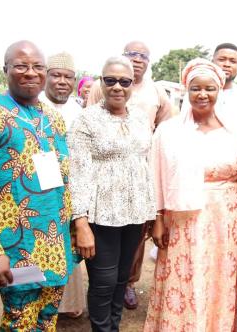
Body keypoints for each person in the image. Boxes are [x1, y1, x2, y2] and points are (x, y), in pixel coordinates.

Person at [0, 40, 77, 330]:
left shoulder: (53, 118)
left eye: (38, 67)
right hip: (15, 248)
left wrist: (76, 228)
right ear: (5, 70)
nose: (30, 73)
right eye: (21, 66)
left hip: (56, 245)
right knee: (19, 322)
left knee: (47, 320)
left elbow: (65, 180)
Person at [144, 58, 237, 331]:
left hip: (229, 221)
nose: (202, 94)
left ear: (219, 91)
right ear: (186, 91)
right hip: (184, 220)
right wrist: (157, 219)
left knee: (222, 276)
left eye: (209, 88)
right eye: (195, 88)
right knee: (187, 275)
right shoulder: (169, 132)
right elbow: (155, 176)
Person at [68, 56, 156, 331]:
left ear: (132, 84)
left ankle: (113, 327)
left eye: (124, 81)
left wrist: (151, 212)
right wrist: (80, 221)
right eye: (110, 80)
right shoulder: (86, 120)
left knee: (122, 279)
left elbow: (145, 165)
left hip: (134, 215)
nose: (117, 87)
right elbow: (77, 172)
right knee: (103, 283)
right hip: (101, 216)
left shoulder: (141, 118)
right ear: (101, 82)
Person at [87, 40, 172, 310]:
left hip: (138, 185)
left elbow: (168, 128)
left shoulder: (156, 93)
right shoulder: (94, 102)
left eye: (143, 55)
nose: (118, 87)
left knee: (131, 254)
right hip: (103, 195)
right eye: (131, 54)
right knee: (104, 271)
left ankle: (128, 286)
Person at [38, 51, 85, 318]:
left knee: (68, 249)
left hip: (70, 192)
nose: (61, 81)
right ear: (46, 76)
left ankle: (67, 306)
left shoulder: (78, 111)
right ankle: (42, 306)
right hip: (41, 194)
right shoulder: (34, 106)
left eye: (67, 76)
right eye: (56, 75)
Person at [181, 42, 237, 132]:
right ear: (212, 62)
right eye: (222, 59)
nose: (227, 64)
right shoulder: (195, 95)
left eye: (233, 61)